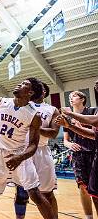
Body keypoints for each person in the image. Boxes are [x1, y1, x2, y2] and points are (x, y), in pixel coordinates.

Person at [0, 78, 56, 219]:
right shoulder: (2, 101)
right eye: (20, 82)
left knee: (35, 194)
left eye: (24, 84)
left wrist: (19, 157)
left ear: (30, 92)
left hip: (19, 154)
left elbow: (33, 145)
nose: (19, 84)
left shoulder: (34, 115)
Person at [13, 82, 60, 219]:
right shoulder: (24, 105)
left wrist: (35, 127)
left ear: (44, 92)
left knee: (47, 193)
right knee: (21, 192)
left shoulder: (52, 109)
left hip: (41, 151)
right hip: (22, 150)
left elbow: (53, 133)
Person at [61, 91, 97, 219]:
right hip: (78, 155)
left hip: (94, 152)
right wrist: (69, 145)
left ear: (82, 99)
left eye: (74, 96)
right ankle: (89, 217)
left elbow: (94, 134)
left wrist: (77, 124)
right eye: (69, 97)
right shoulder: (67, 118)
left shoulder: (93, 111)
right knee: (83, 187)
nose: (71, 98)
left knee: (95, 190)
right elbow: (65, 141)